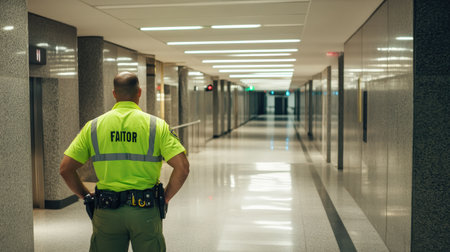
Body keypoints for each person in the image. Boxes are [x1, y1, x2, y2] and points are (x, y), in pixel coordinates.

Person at [60, 71, 189, 252]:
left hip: (106, 211)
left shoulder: (94, 127)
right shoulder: (156, 126)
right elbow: (182, 167)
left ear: (114, 94)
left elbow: (65, 168)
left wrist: (86, 195)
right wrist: (166, 197)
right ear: (139, 92)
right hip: (145, 211)